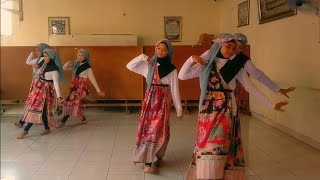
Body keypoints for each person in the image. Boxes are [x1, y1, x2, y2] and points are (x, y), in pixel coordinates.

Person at [178, 33, 289, 179]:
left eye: (234, 48)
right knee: (205, 146)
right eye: (228, 46)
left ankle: (213, 175)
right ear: (219, 45)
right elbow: (182, 75)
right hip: (207, 112)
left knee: (217, 146)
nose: (231, 50)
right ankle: (206, 175)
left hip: (226, 110)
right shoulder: (206, 64)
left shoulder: (237, 67)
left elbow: (251, 88)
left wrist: (271, 105)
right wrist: (191, 58)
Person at [126, 39, 183, 173]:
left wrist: (179, 109)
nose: (160, 51)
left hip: (163, 104)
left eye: (164, 49)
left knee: (159, 130)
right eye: (158, 48)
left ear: (169, 52)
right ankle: (148, 161)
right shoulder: (149, 65)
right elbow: (130, 65)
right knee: (149, 130)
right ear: (155, 49)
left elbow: (175, 90)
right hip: (149, 103)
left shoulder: (172, 69)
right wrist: (143, 56)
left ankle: (156, 156)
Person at [17, 49, 65, 139]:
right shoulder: (44, 65)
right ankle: (47, 128)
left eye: (46, 56)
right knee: (42, 111)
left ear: (51, 57)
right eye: (44, 56)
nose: (44, 58)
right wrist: (34, 68)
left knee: (35, 110)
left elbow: (56, 85)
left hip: (45, 94)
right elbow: (37, 73)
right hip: (38, 91)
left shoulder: (54, 71)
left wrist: (59, 97)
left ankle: (26, 130)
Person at [57, 49, 105, 128]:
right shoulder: (76, 64)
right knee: (75, 104)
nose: (79, 57)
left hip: (82, 89)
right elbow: (64, 68)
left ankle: (62, 122)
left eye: (82, 55)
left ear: (85, 56)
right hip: (75, 87)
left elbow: (92, 79)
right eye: (78, 55)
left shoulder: (88, 67)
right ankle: (83, 119)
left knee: (71, 103)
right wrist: (68, 63)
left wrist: (98, 90)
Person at [13, 43, 50, 128]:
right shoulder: (38, 60)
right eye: (36, 50)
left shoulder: (44, 60)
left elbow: (29, 63)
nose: (36, 52)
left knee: (35, 104)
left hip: (41, 86)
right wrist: (32, 55)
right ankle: (44, 126)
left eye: (38, 50)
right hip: (36, 85)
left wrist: (31, 56)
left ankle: (24, 123)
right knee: (35, 104)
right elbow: (28, 63)